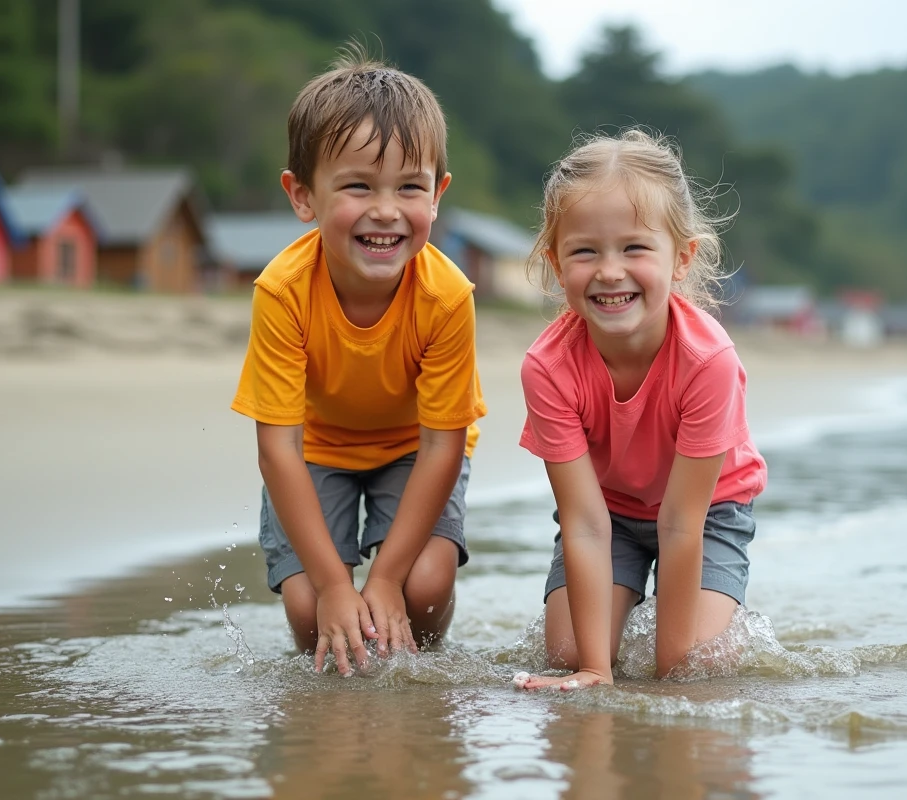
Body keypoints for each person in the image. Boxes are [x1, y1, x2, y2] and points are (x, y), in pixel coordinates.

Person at [231, 49, 485, 676]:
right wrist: (335, 586)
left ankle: (420, 666)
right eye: (358, 186)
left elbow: (443, 444)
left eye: (409, 187)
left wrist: (388, 578)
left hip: (414, 449)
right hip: (317, 451)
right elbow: (278, 450)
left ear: (438, 194)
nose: (386, 210)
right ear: (303, 195)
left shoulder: (447, 297)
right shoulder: (283, 292)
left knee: (423, 588)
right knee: (310, 612)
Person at [514, 129, 766, 691]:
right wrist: (593, 670)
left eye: (634, 248)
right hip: (607, 509)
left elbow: (682, 522)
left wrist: (671, 671)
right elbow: (583, 523)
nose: (610, 271)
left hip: (709, 509)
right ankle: (617, 627)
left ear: (682, 258)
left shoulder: (708, 361)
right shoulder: (548, 368)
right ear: (556, 263)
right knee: (565, 652)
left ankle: (718, 615)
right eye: (585, 251)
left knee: (697, 665)